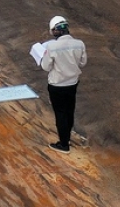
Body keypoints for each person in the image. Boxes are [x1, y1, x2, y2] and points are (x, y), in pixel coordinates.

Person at [40, 15, 87, 152]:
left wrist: (44, 56)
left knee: (60, 113)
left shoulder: (52, 46)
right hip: (72, 83)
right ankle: (68, 135)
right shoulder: (80, 44)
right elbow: (83, 63)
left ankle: (64, 144)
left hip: (57, 85)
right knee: (69, 110)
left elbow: (46, 67)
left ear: (55, 31)